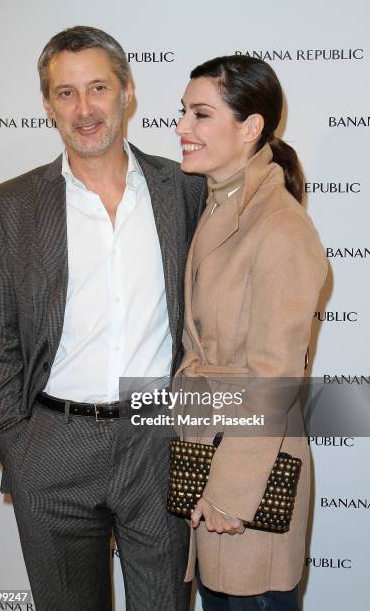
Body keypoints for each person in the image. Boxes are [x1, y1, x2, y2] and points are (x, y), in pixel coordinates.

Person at [0, 26, 207, 611]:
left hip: (159, 439)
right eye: (66, 93)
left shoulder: (182, 188)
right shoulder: (10, 205)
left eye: (98, 88)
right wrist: (17, 445)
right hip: (53, 446)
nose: (85, 109)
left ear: (127, 92)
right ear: (49, 103)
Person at [174, 55, 328, 610]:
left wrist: (232, 496)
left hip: (249, 471)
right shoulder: (222, 205)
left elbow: (274, 375)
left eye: (201, 114)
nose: (183, 128)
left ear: (251, 127)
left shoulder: (280, 226)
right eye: (183, 112)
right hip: (212, 450)